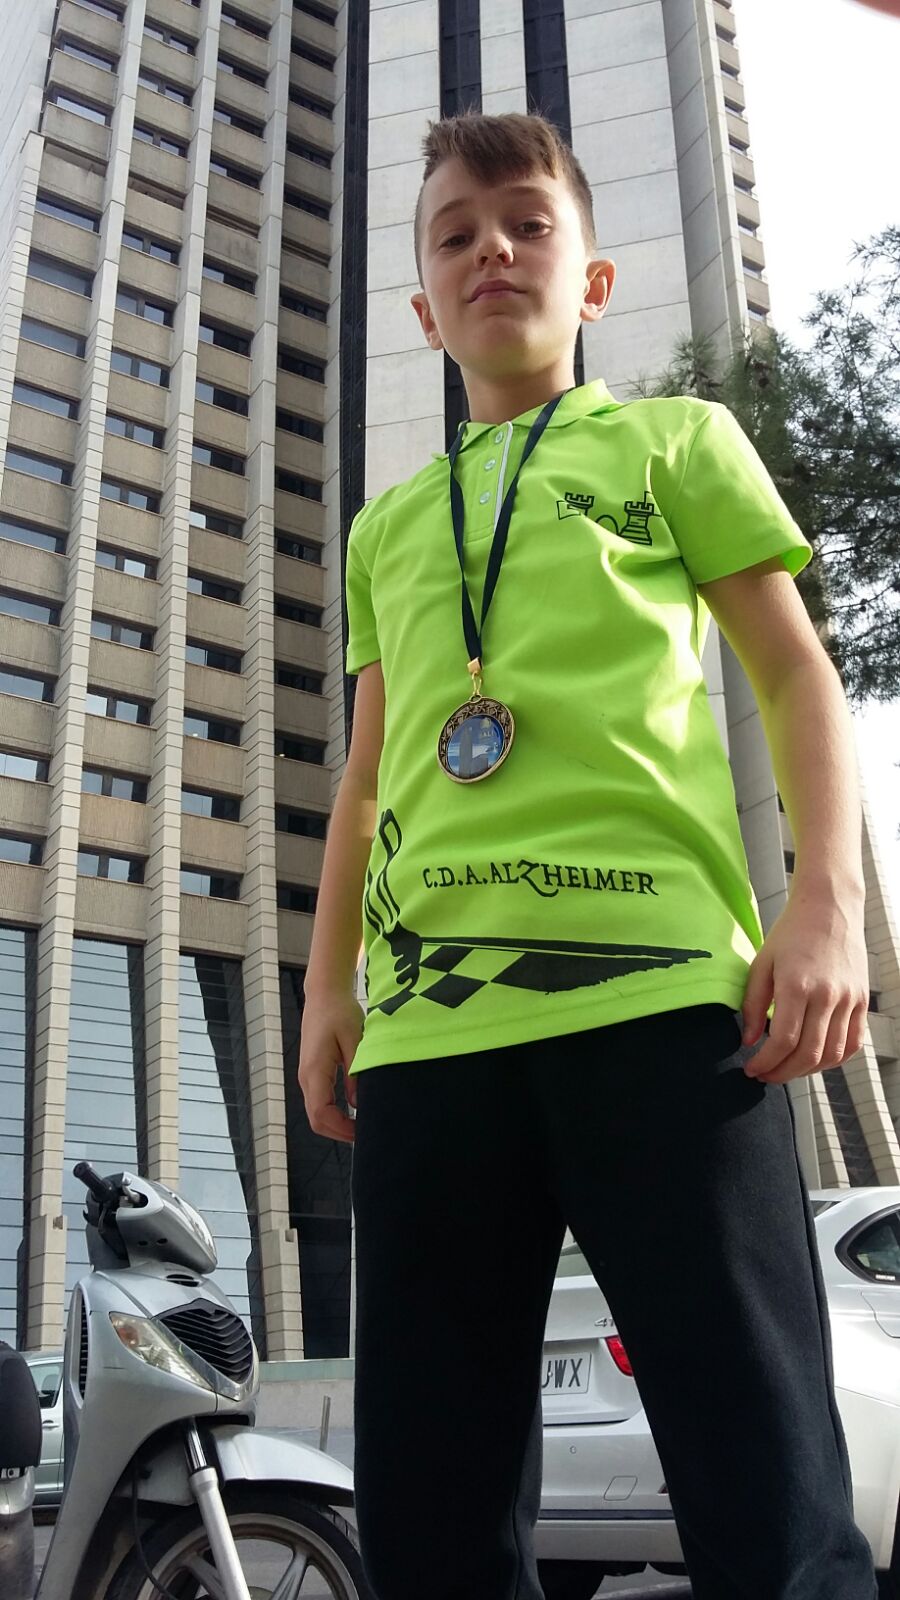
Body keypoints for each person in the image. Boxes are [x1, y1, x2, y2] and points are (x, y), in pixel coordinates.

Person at [299, 110, 877, 1600]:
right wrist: (325, 989)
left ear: (594, 281)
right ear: (424, 309)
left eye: (527, 222)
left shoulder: (676, 442)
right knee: (430, 1511)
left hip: (667, 1009)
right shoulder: (385, 528)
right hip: (432, 1035)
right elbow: (367, 773)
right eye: (455, 233)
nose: (491, 247)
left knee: (765, 1478)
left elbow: (794, 673)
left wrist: (824, 903)